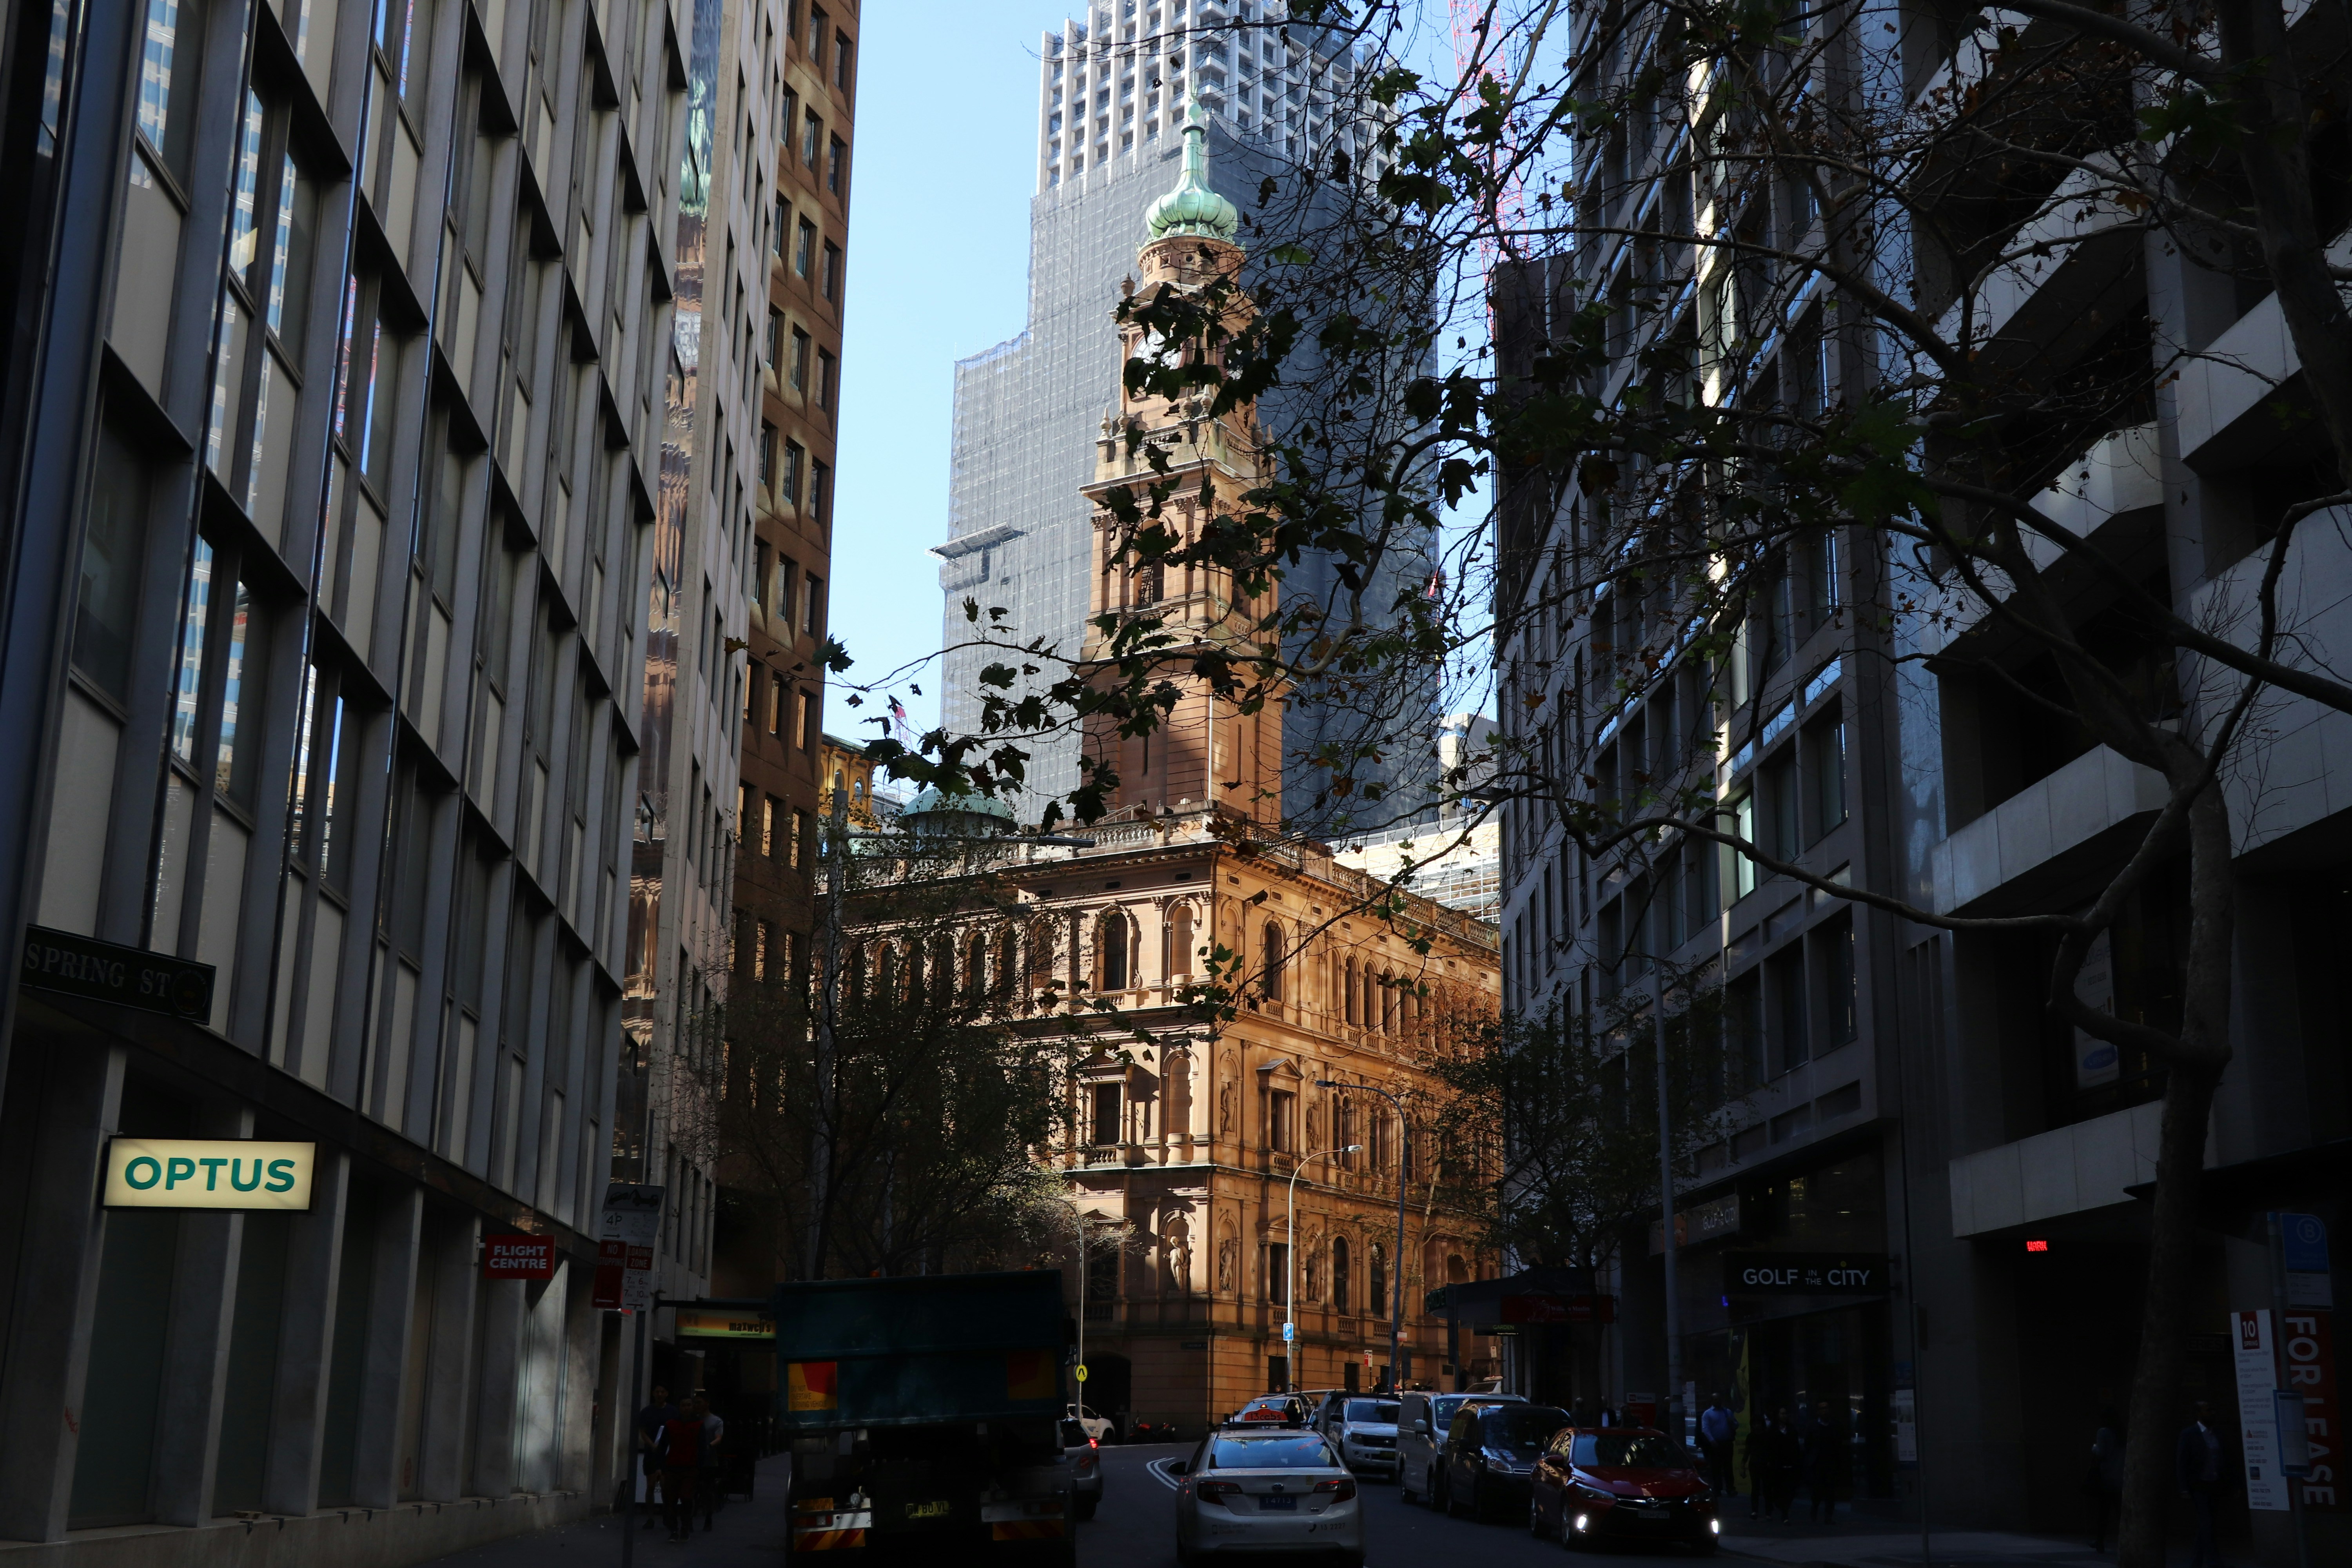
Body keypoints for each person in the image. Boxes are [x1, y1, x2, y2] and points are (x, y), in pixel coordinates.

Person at [2176, 1401, 2225, 1568]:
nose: (2212, 1413)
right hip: (2199, 1485)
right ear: (2199, 1413)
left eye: (2213, 1409)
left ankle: (2195, 1562)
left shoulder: (2217, 1434)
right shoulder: (2190, 1434)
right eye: (2208, 1410)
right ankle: (2214, 1562)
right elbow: (2182, 1462)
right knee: (2207, 1523)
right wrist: (2184, 1487)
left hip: (2215, 1484)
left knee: (2207, 1524)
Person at [661, 1397, 705, 1541]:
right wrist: (661, 1469)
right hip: (674, 1466)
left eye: (689, 1405)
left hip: (690, 1467)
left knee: (686, 1498)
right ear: (680, 1408)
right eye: (684, 1405)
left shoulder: (698, 1425)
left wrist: (700, 1468)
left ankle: (685, 1526)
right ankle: (675, 1529)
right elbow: (663, 1446)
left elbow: (702, 1447)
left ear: (692, 1407)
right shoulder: (671, 1424)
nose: (686, 1408)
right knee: (671, 1499)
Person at [635, 1384, 677, 1531]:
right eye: (657, 1392)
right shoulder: (647, 1412)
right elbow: (643, 1432)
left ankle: (667, 1514)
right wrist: (652, 1445)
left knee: (666, 1487)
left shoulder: (673, 1411)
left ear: (667, 1394)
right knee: (651, 1486)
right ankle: (650, 1518)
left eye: (663, 1392)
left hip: (667, 1454)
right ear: (654, 1394)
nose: (660, 1394)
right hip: (651, 1454)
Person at [2089, 1408, 2124, 1552]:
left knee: (2104, 1511)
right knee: (2120, 1511)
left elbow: (2101, 1453)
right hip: (2121, 1475)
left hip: (2108, 1476)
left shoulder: (2103, 1432)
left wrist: (2094, 1447)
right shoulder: (2123, 1433)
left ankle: (2100, 1541)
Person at [1803, 1403, 1840, 1524]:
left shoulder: (1834, 1426)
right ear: (1818, 1412)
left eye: (1827, 1408)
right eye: (1822, 1409)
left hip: (1830, 1462)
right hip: (1817, 1463)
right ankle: (1814, 1512)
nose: (1825, 1411)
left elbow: (1838, 1443)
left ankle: (1828, 1517)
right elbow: (1808, 1444)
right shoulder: (1812, 1426)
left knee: (1830, 1492)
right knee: (1817, 1491)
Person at [1700, 1393, 1739, 1501]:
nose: (1718, 1402)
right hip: (1716, 1444)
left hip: (1727, 1443)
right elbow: (1705, 1429)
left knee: (1728, 1467)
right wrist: (1712, 1441)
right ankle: (1717, 1489)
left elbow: (1736, 1425)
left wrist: (1732, 1423)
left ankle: (1730, 1488)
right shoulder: (1708, 1414)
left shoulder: (1727, 1412)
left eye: (1719, 1399)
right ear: (1712, 1401)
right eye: (1715, 1400)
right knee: (1716, 1468)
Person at [696, 1394, 726, 1529]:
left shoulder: (716, 1421)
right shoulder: (694, 1419)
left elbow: (719, 1438)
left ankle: (709, 1516)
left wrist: (709, 1446)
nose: (697, 1405)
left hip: (709, 1460)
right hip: (695, 1460)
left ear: (707, 1403)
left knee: (707, 1489)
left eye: (699, 1402)